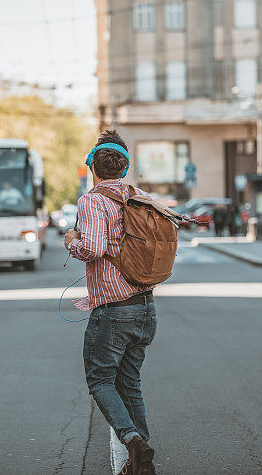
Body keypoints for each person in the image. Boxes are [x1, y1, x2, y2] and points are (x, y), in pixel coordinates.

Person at [64, 130, 158, 475]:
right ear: (125, 166)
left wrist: (71, 240)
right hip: (146, 307)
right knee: (130, 383)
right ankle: (140, 462)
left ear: (93, 166)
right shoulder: (140, 197)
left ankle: (133, 439)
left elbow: (92, 248)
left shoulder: (92, 201)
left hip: (115, 310)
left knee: (101, 381)